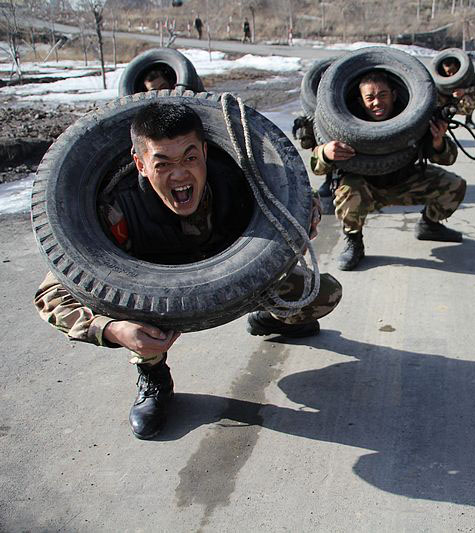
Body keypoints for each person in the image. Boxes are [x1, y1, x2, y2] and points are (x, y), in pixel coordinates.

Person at [34, 103, 342, 439]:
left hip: (238, 284)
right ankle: (154, 377)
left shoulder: (239, 181)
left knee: (322, 294)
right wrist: (111, 329)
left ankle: (270, 318)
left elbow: (290, 188)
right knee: (129, 308)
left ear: (205, 153)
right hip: (158, 300)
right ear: (140, 164)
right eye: (162, 164)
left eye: (190, 158)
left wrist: (305, 213)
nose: (179, 174)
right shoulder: (117, 211)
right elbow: (52, 294)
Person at [311, 70, 467, 271]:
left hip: (405, 181)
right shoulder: (345, 125)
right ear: (361, 101)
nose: (377, 102)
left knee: (455, 185)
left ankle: (430, 224)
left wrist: (437, 142)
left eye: (383, 95)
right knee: (348, 189)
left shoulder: (413, 117)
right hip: (366, 188)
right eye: (370, 98)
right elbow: (316, 167)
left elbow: (449, 158)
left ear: (393, 95)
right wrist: (325, 152)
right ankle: (354, 242)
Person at [437, 57, 475, 129]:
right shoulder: (438, 75)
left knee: (470, 97)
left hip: (460, 100)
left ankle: (468, 120)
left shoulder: (467, 75)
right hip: (446, 100)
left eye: (453, 70)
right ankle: (442, 120)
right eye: (447, 72)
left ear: (457, 67)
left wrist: (464, 91)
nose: (450, 74)